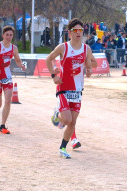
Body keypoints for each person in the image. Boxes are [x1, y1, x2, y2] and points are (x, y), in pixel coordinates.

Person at [46, 18, 93, 159]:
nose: (79, 33)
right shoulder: (63, 47)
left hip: (78, 90)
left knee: (72, 122)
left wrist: (89, 71)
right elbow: (48, 59)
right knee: (66, 119)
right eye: (75, 30)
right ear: (70, 33)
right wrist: (54, 75)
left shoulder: (86, 49)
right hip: (63, 88)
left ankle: (62, 148)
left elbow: (89, 65)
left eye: (81, 30)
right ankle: (57, 114)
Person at [0, 25, 26, 134]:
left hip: (7, 77)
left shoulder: (14, 48)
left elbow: (17, 60)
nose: (9, 37)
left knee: (8, 100)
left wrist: (21, 65)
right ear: (3, 35)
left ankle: (3, 126)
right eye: (7, 35)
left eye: (11, 35)